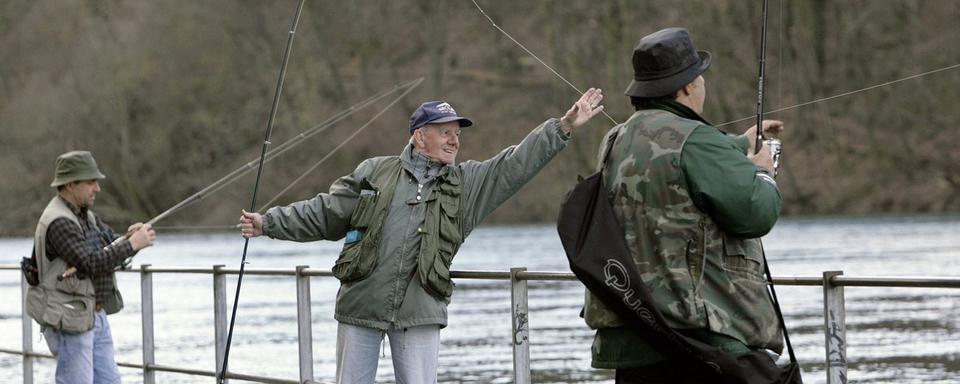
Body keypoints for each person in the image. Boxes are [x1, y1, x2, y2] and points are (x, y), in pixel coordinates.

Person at [239, 90, 604, 383]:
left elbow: (516, 164)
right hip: (360, 307)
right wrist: (267, 223)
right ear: (419, 136)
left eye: (457, 134)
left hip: (420, 314)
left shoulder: (468, 184)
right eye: (445, 131)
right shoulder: (375, 172)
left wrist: (564, 126)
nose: (454, 140)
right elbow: (324, 212)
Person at [583, 27, 786, 383]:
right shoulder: (699, 142)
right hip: (700, 340)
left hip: (633, 338)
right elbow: (756, 214)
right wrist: (765, 173)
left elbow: (665, 160)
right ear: (689, 85)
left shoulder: (614, 140)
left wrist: (739, 145)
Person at [26, 150, 156, 384]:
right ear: (70, 185)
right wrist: (133, 245)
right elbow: (91, 263)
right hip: (70, 319)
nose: (97, 188)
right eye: (91, 182)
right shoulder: (59, 222)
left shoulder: (87, 217)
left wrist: (129, 238)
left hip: (93, 315)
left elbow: (108, 243)